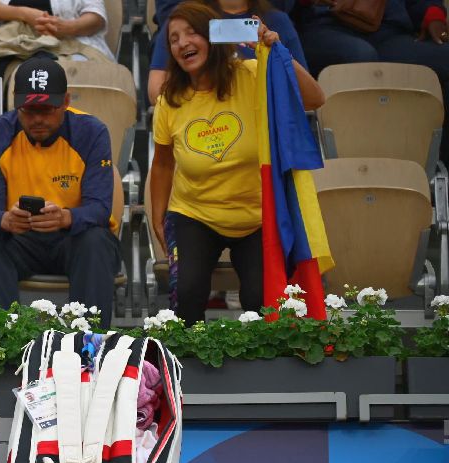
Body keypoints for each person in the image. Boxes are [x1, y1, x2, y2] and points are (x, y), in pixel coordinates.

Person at [149, 2, 323, 325]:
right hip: (195, 214)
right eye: (173, 39)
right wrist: (158, 217)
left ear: (214, 36)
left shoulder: (252, 73)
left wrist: (276, 49)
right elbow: (161, 164)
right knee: (186, 296)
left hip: (256, 216)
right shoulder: (168, 99)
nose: (182, 43)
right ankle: (187, 372)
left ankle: (256, 374)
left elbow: (314, 98)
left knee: (262, 301)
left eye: (191, 33)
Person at [0, 58, 121, 325]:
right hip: (20, 239)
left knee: (96, 241)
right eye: (28, 110)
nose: (38, 119)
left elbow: (99, 208)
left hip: (73, 237)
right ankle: (1, 343)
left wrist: (64, 217)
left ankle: (89, 343)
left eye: (47, 109)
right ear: (14, 104)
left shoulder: (92, 131)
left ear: (66, 101)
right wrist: (6, 219)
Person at [292, 0, 449, 162]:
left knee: (444, 59)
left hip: (390, 31)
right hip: (325, 26)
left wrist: (432, 15)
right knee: (362, 57)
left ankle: (437, 170)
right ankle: (354, 168)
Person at [147, 0, 306, 104]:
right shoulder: (186, 21)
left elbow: (304, 93)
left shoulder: (277, 21)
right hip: (200, 126)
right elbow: (156, 92)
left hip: (266, 125)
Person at [0, 0, 116, 61]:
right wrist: (24, 14)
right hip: (18, 45)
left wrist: (67, 28)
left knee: (78, 74)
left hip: (73, 43)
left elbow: (96, 17)